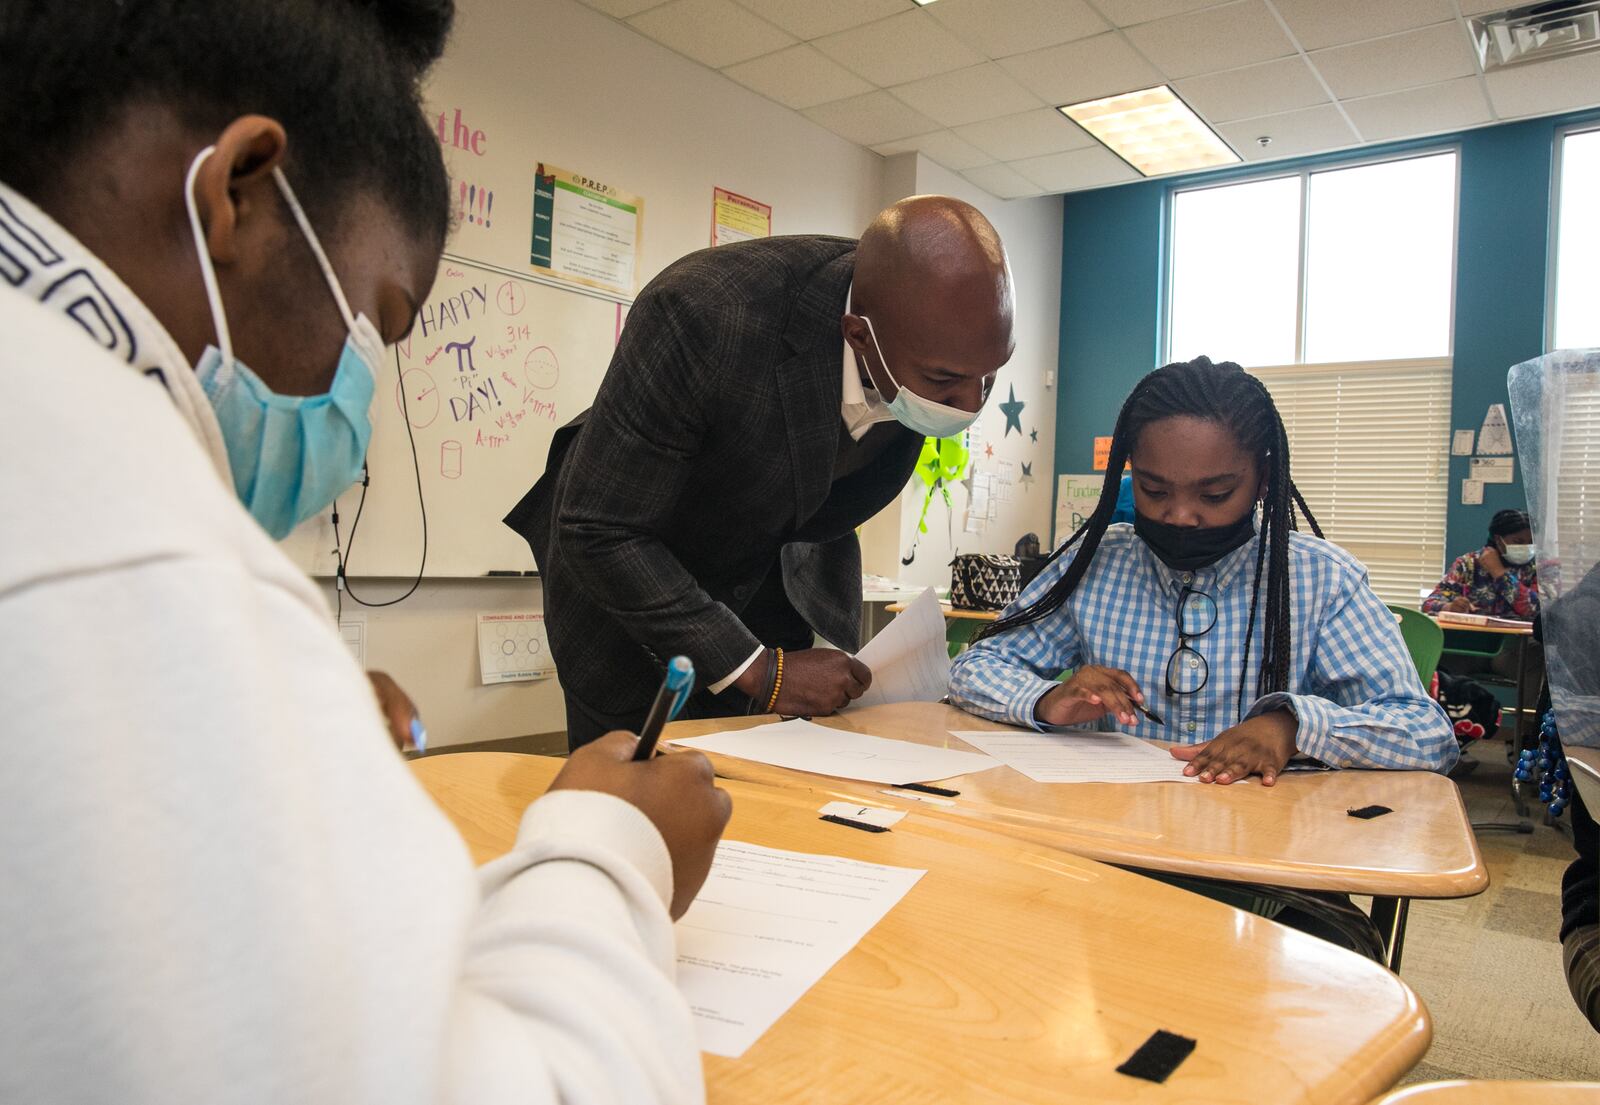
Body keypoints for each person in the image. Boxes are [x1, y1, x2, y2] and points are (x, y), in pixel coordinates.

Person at [0, 4, 731, 1102]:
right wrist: (612, 847)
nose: (355, 395)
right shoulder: (134, 548)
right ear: (238, 187)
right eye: (371, 323)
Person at [506, 197, 1015, 748]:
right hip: (630, 594)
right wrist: (758, 671)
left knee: (777, 792)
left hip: (770, 578)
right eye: (945, 381)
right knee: (634, 801)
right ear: (859, 335)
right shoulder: (703, 313)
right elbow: (598, 528)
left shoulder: (935, 331)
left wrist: (772, 666)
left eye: (989, 378)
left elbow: (809, 489)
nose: (970, 404)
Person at [951, 357, 1457, 785]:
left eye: (1214, 495)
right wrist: (1047, 700)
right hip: (1103, 835)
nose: (1180, 516)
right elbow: (973, 668)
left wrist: (1291, 728)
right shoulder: (1098, 561)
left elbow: (1426, 735)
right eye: (1154, 490)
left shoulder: (1322, 581)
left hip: (1261, 850)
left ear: (1262, 480)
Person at [1422, 508, 1539, 619]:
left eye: (1531, 542)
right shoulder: (1468, 564)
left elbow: (1537, 610)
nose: (1526, 547)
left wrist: (1499, 573)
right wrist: (1450, 607)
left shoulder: (1541, 568)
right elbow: (1428, 604)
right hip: (1472, 637)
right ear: (1498, 540)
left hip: (1522, 638)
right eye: (1518, 542)